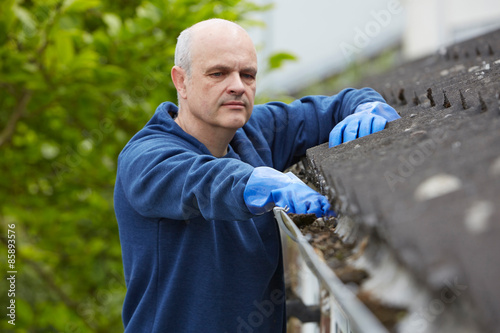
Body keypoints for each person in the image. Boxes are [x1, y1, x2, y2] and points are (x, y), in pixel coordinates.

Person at [113, 18, 400, 332]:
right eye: (219, 73)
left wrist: (369, 105)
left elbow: (338, 105)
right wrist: (255, 182)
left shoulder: (258, 133)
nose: (237, 85)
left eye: (247, 74)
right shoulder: (145, 158)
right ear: (181, 81)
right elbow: (200, 180)